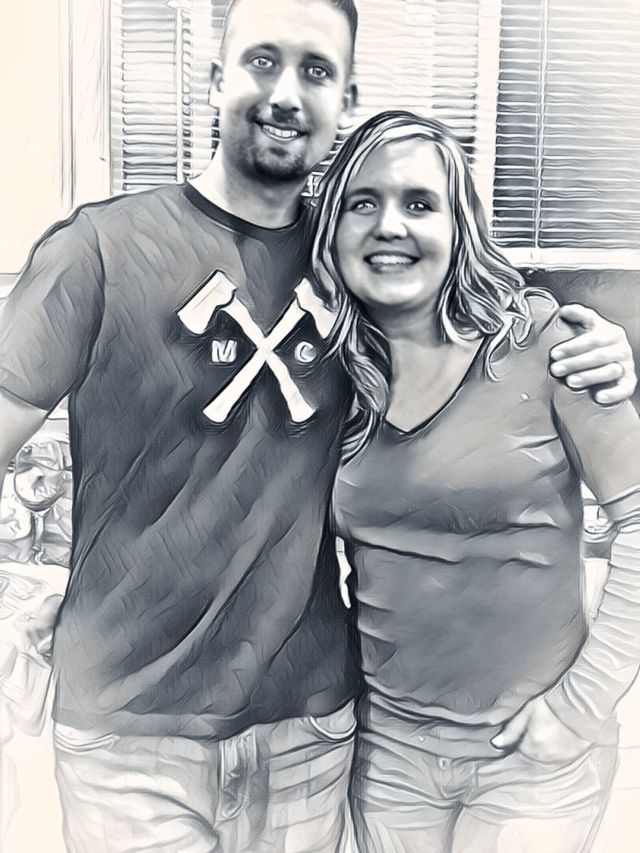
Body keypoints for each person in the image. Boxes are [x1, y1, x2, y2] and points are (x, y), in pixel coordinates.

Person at [0, 0, 634, 849]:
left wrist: (604, 350)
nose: (286, 93)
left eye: (317, 70)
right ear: (215, 78)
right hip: (131, 732)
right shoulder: (100, 250)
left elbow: (474, 337)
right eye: (261, 61)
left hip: (314, 727)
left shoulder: (359, 273)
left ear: (346, 100)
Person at [311, 111, 640, 853]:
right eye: (363, 202)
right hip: (387, 754)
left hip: (532, 756)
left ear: (460, 226)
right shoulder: (328, 374)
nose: (390, 224)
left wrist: (580, 707)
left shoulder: (547, 345)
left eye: (419, 203)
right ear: (333, 228)